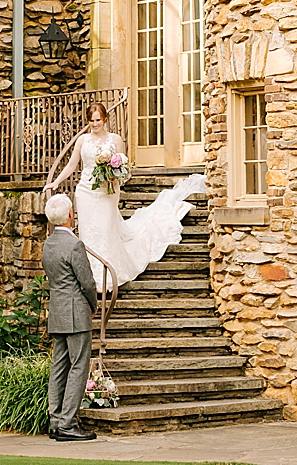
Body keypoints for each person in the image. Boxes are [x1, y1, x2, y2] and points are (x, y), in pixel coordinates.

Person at [43, 102, 206, 290]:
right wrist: (55, 182)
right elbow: (72, 165)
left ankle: (108, 274)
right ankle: (92, 275)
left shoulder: (115, 139)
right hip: (86, 191)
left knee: (105, 229)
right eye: (91, 121)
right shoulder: (82, 140)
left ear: (104, 119)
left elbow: (123, 168)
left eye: (98, 120)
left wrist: (114, 178)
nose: (95, 124)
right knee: (88, 231)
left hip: (107, 191)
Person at [43, 192, 99, 443]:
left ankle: (56, 422)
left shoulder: (48, 244)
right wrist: (94, 304)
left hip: (57, 311)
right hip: (76, 312)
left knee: (58, 367)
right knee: (79, 366)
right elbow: (86, 282)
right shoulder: (74, 244)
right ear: (68, 215)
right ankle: (67, 424)